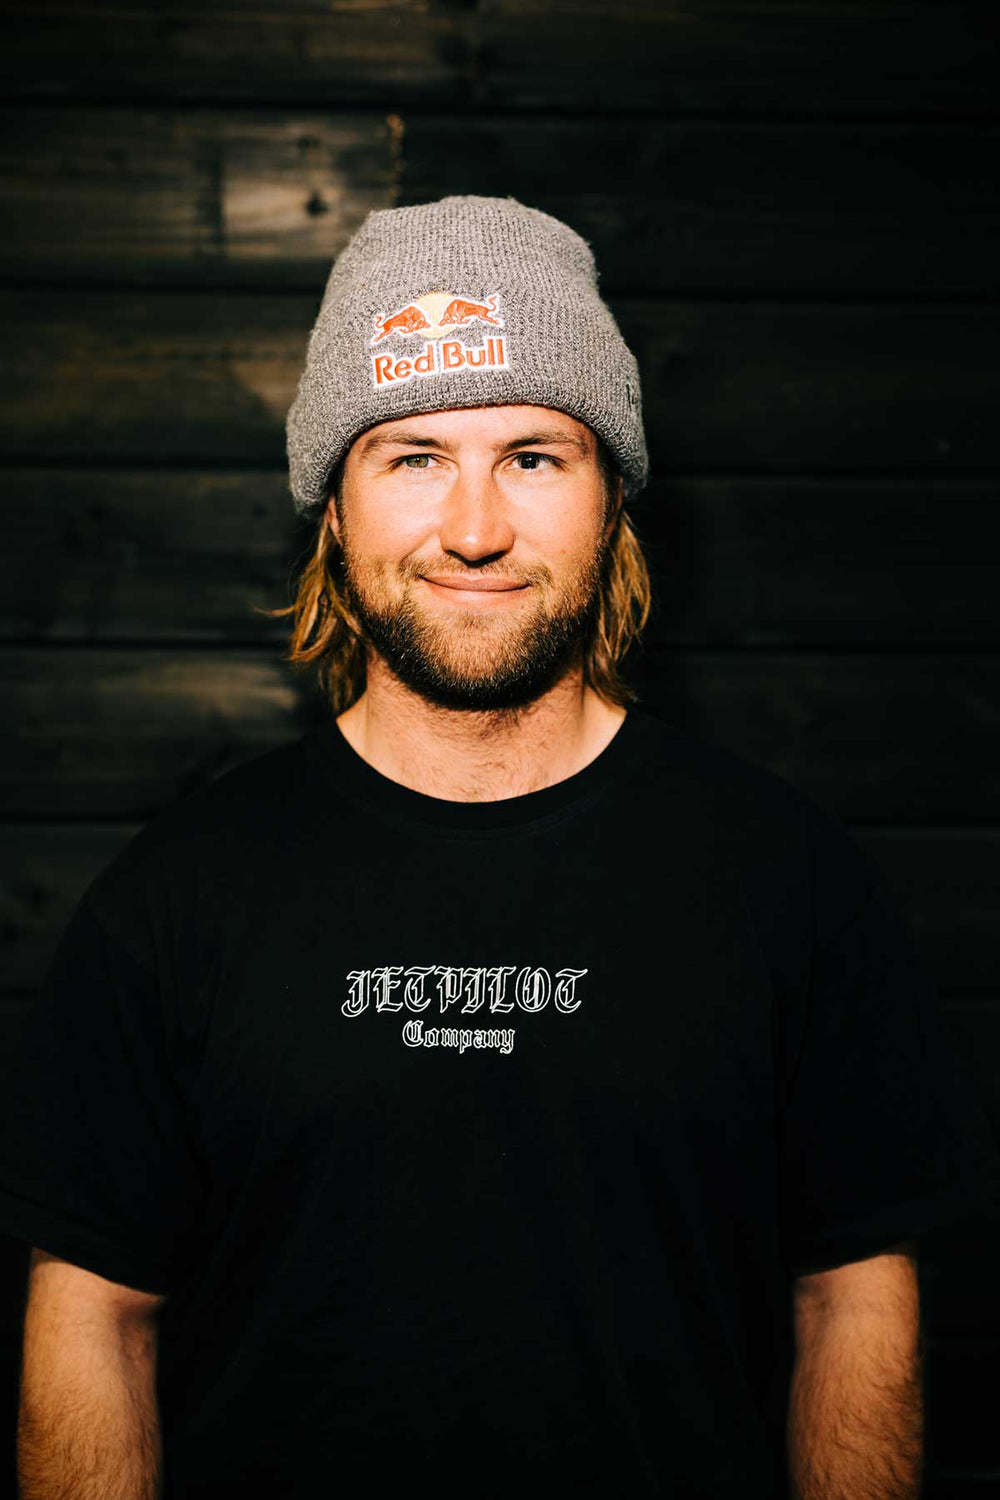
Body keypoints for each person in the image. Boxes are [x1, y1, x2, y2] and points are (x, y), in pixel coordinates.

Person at [0, 195, 997, 1500]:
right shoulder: (179, 898)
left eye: (533, 455)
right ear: (335, 511)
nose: (474, 526)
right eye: (413, 456)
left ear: (613, 500)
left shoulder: (785, 880)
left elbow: (854, 1292)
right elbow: (96, 1314)